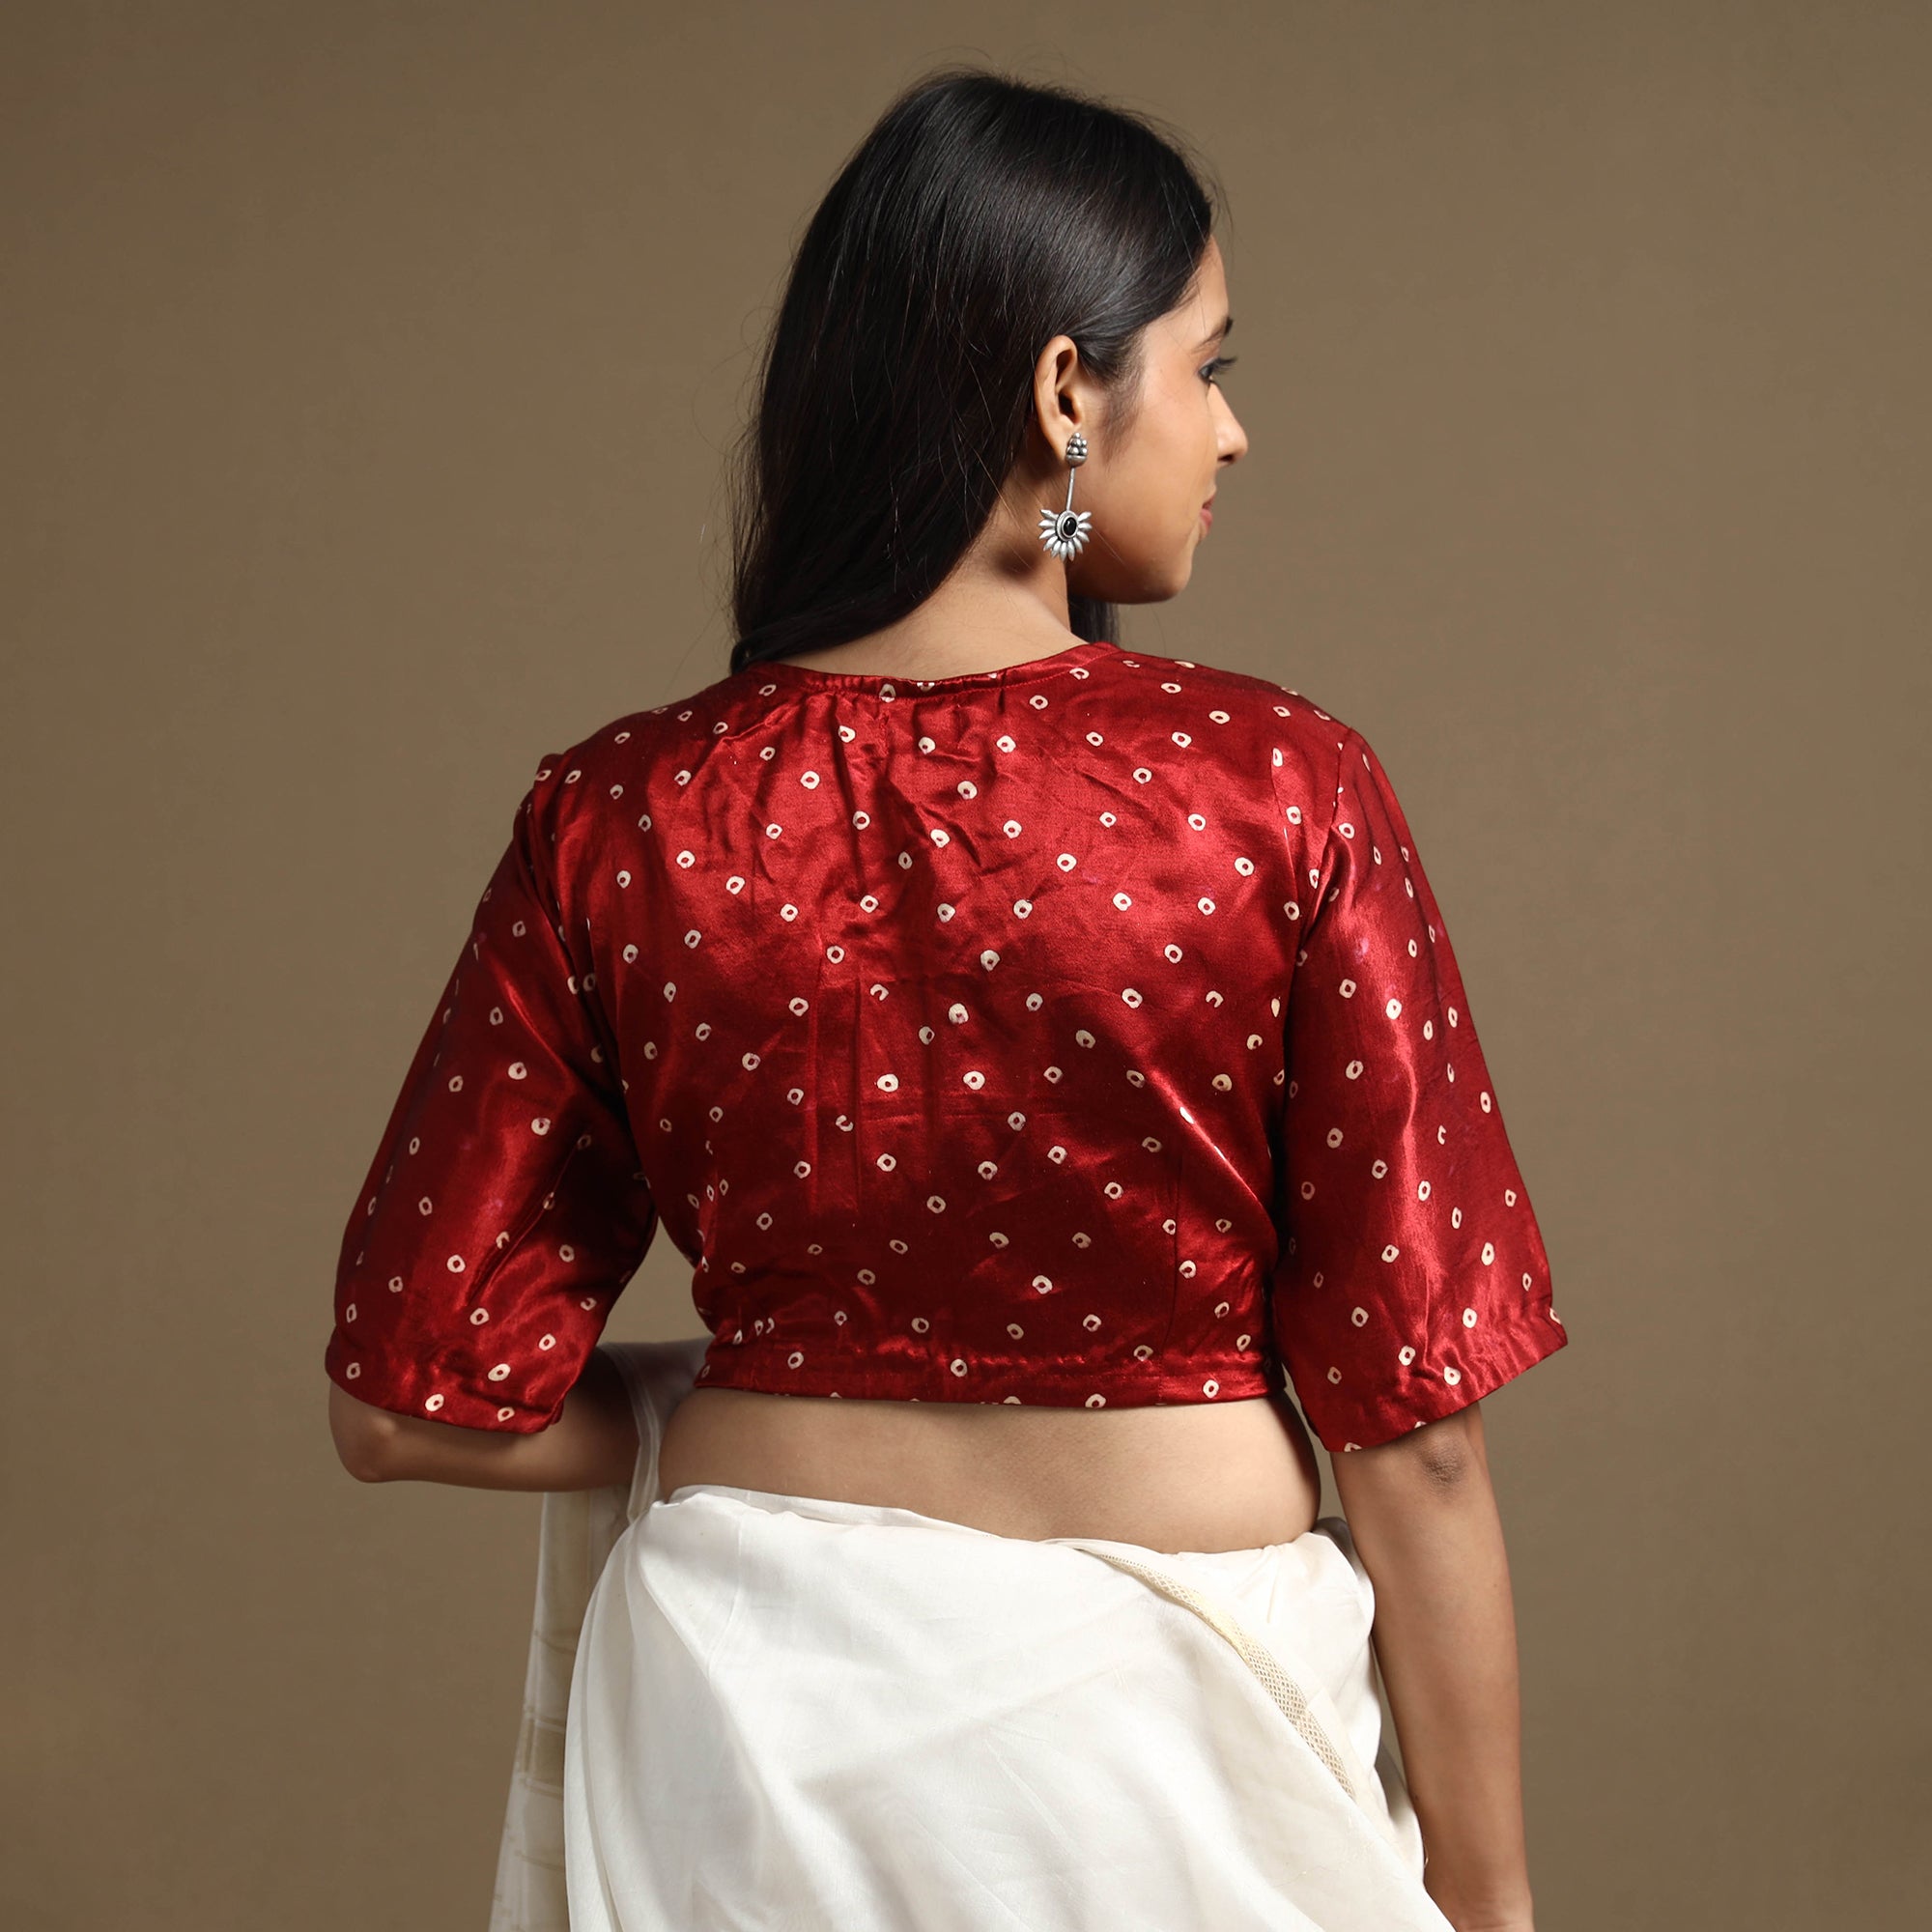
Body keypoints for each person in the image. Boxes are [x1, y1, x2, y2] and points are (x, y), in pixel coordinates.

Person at [324, 66, 1567, 1932]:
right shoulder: (1277, 787)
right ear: (1069, 393)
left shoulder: (622, 815)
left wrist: (695, 1403)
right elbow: (1422, 1433)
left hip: (747, 1736)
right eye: (1210, 367)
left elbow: (400, 1406)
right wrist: (1491, 1902)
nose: (1233, 434)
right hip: (1186, 1729)